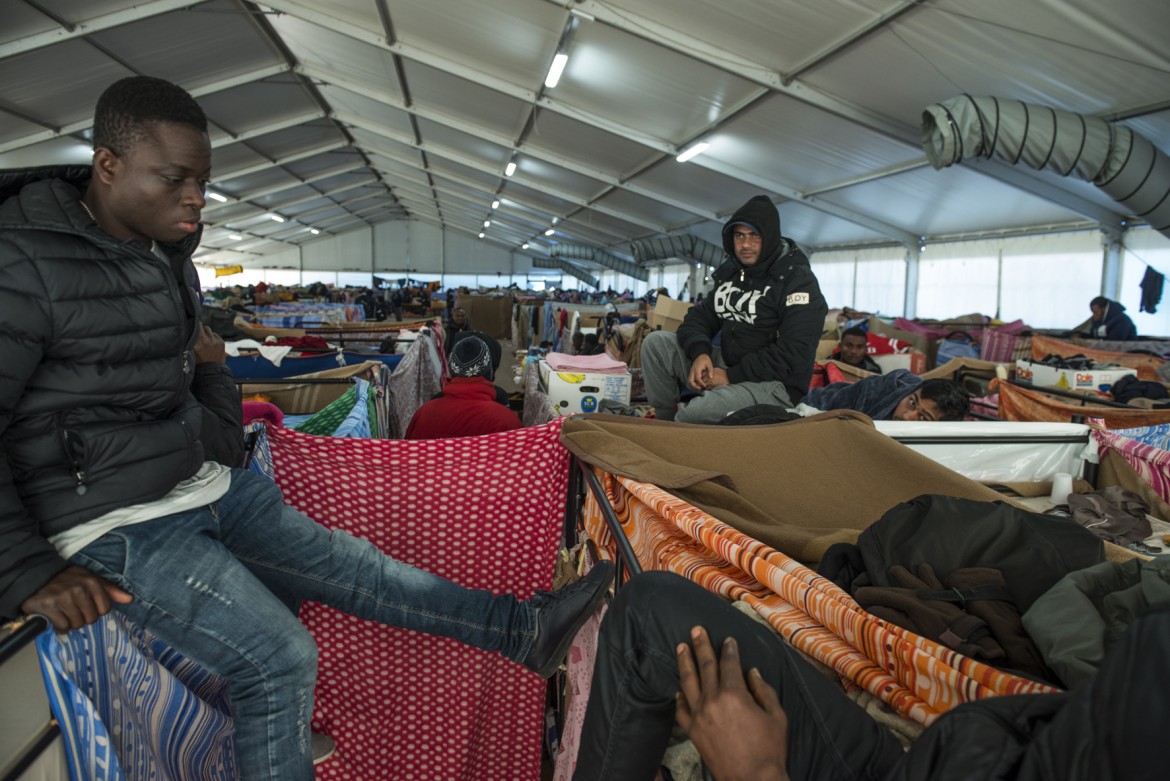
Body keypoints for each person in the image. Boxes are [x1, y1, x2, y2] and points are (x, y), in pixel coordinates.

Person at [0, 75, 614, 781]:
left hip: (197, 483)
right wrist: (25, 569)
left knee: (361, 566)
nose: (195, 199)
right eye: (175, 180)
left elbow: (201, 424)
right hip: (111, 522)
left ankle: (522, 630)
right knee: (279, 656)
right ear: (107, 165)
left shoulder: (165, 257)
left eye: (202, 181)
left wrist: (210, 375)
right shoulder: (24, 261)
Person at [573, 571, 1164, 781]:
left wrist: (755, 771)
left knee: (651, 621)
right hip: (936, 760)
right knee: (652, 606)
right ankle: (529, 625)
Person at [641, 195, 828, 424]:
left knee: (694, 414)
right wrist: (700, 352)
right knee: (655, 343)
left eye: (754, 236)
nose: (746, 244)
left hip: (774, 384)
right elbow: (700, 316)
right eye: (739, 236)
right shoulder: (733, 271)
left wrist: (730, 376)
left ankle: (679, 430)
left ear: (769, 237)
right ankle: (664, 422)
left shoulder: (798, 282)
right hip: (728, 364)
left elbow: (793, 353)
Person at [405, 334, 521, 439]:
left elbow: (408, 456)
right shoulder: (506, 421)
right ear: (489, 371)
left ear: (452, 369)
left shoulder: (424, 414)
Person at [802, 369, 969, 421]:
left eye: (923, 418)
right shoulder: (880, 388)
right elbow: (826, 402)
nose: (906, 416)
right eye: (912, 403)